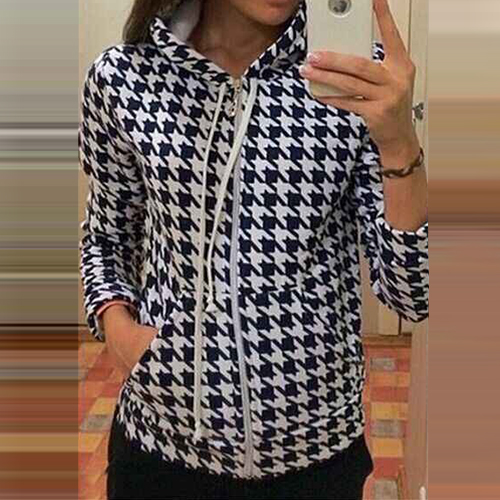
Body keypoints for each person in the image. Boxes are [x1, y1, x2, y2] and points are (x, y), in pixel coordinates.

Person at [78, 0, 429, 498]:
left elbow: (413, 294)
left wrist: (399, 144)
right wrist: (121, 334)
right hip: (163, 446)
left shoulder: (355, 77)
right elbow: (107, 236)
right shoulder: (125, 79)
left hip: (316, 456)